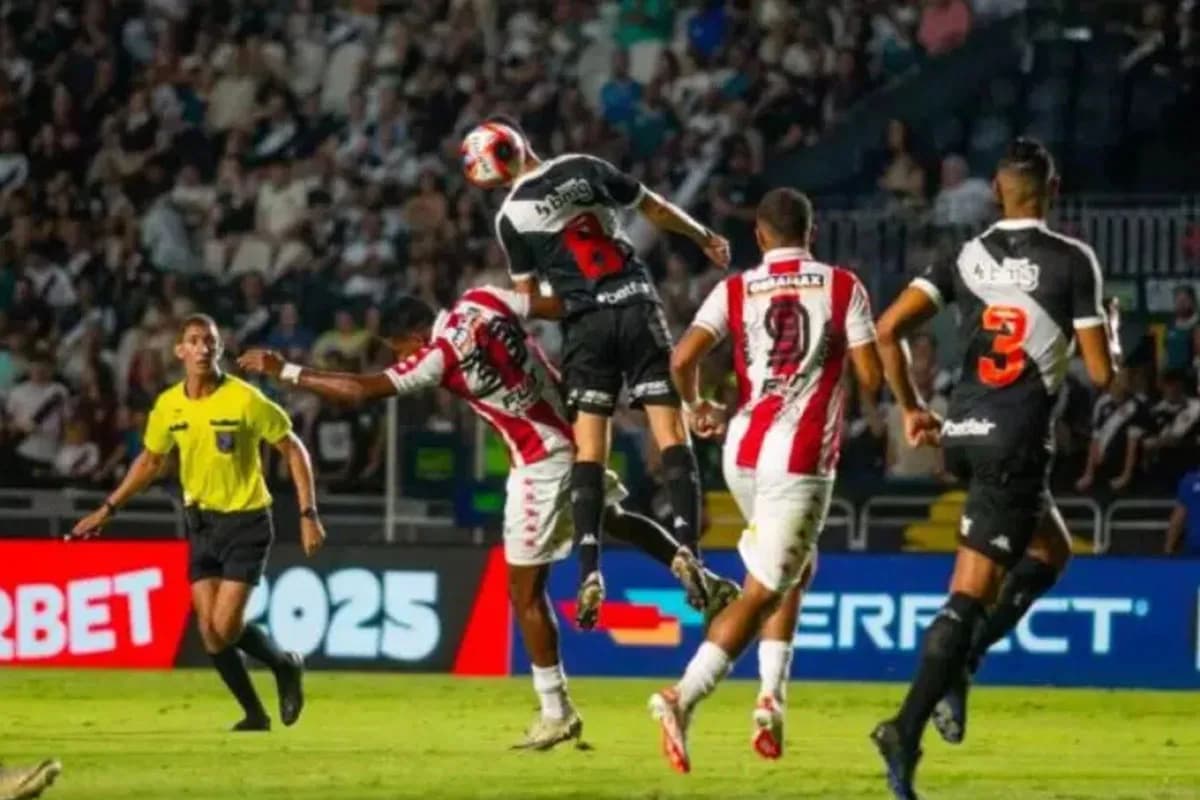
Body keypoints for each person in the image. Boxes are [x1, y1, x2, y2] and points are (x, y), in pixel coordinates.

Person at [237, 286, 739, 751]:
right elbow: (556, 304)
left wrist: (287, 371)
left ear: (410, 335)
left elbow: (363, 390)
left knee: (523, 592)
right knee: (615, 516)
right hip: (575, 435)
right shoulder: (485, 298)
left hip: (540, 465)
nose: (400, 357)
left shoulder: (437, 355)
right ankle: (699, 574)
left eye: (397, 348)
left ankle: (556, 709)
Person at [869, 139, 1117, 800]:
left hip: (962, 431)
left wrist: (913, 408)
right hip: (1014, 440)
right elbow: (1102, 374)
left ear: (998, 193)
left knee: (1051, 552)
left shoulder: (965, 254)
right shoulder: (1072, 260)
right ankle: (905, 727)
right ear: (1051, 188)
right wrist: (1111, 331)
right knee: (968, 594)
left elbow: (887, 326)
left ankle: (965, 662)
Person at [648, 188, 883, 772]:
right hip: (800, 455)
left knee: (794, 569)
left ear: (758, 236)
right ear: (813, 231)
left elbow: (680, 361)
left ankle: (770, 701)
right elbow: (872, 375)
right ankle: (682, 697)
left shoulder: (734, 288)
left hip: (742, 449)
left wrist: (698, 405)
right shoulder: (842, 285)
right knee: (760, 592)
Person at [479, 114, 731, 627]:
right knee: (671, 434)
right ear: (523, 144)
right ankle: (689, 552)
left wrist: (553, 301)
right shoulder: (584, 166)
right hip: (637, 305)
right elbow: (654, 208)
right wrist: (703, 235)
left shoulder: (511, 218)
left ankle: (591, 568)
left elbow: (531, 301)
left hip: (587, 327)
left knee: (590, 449)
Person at [71, 314, 324, 732]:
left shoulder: (245, 399)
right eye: (194, 341)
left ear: (220, 349)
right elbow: (151, 461)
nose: (203, 348)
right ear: (180, 351)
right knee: (209, 634)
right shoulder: (169, 405)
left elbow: (293, 448)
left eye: (210, 341)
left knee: (224, 627)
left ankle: (285, 665)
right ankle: (255, 715)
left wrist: (308, 513)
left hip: (247, 521)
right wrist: (107, 509)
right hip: (201, 524)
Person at [1166, 468, 1200, 555]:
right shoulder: (1189, 481)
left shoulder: (1189, 481)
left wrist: (1168, 549)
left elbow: (1177, 520)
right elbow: (1177, 520)